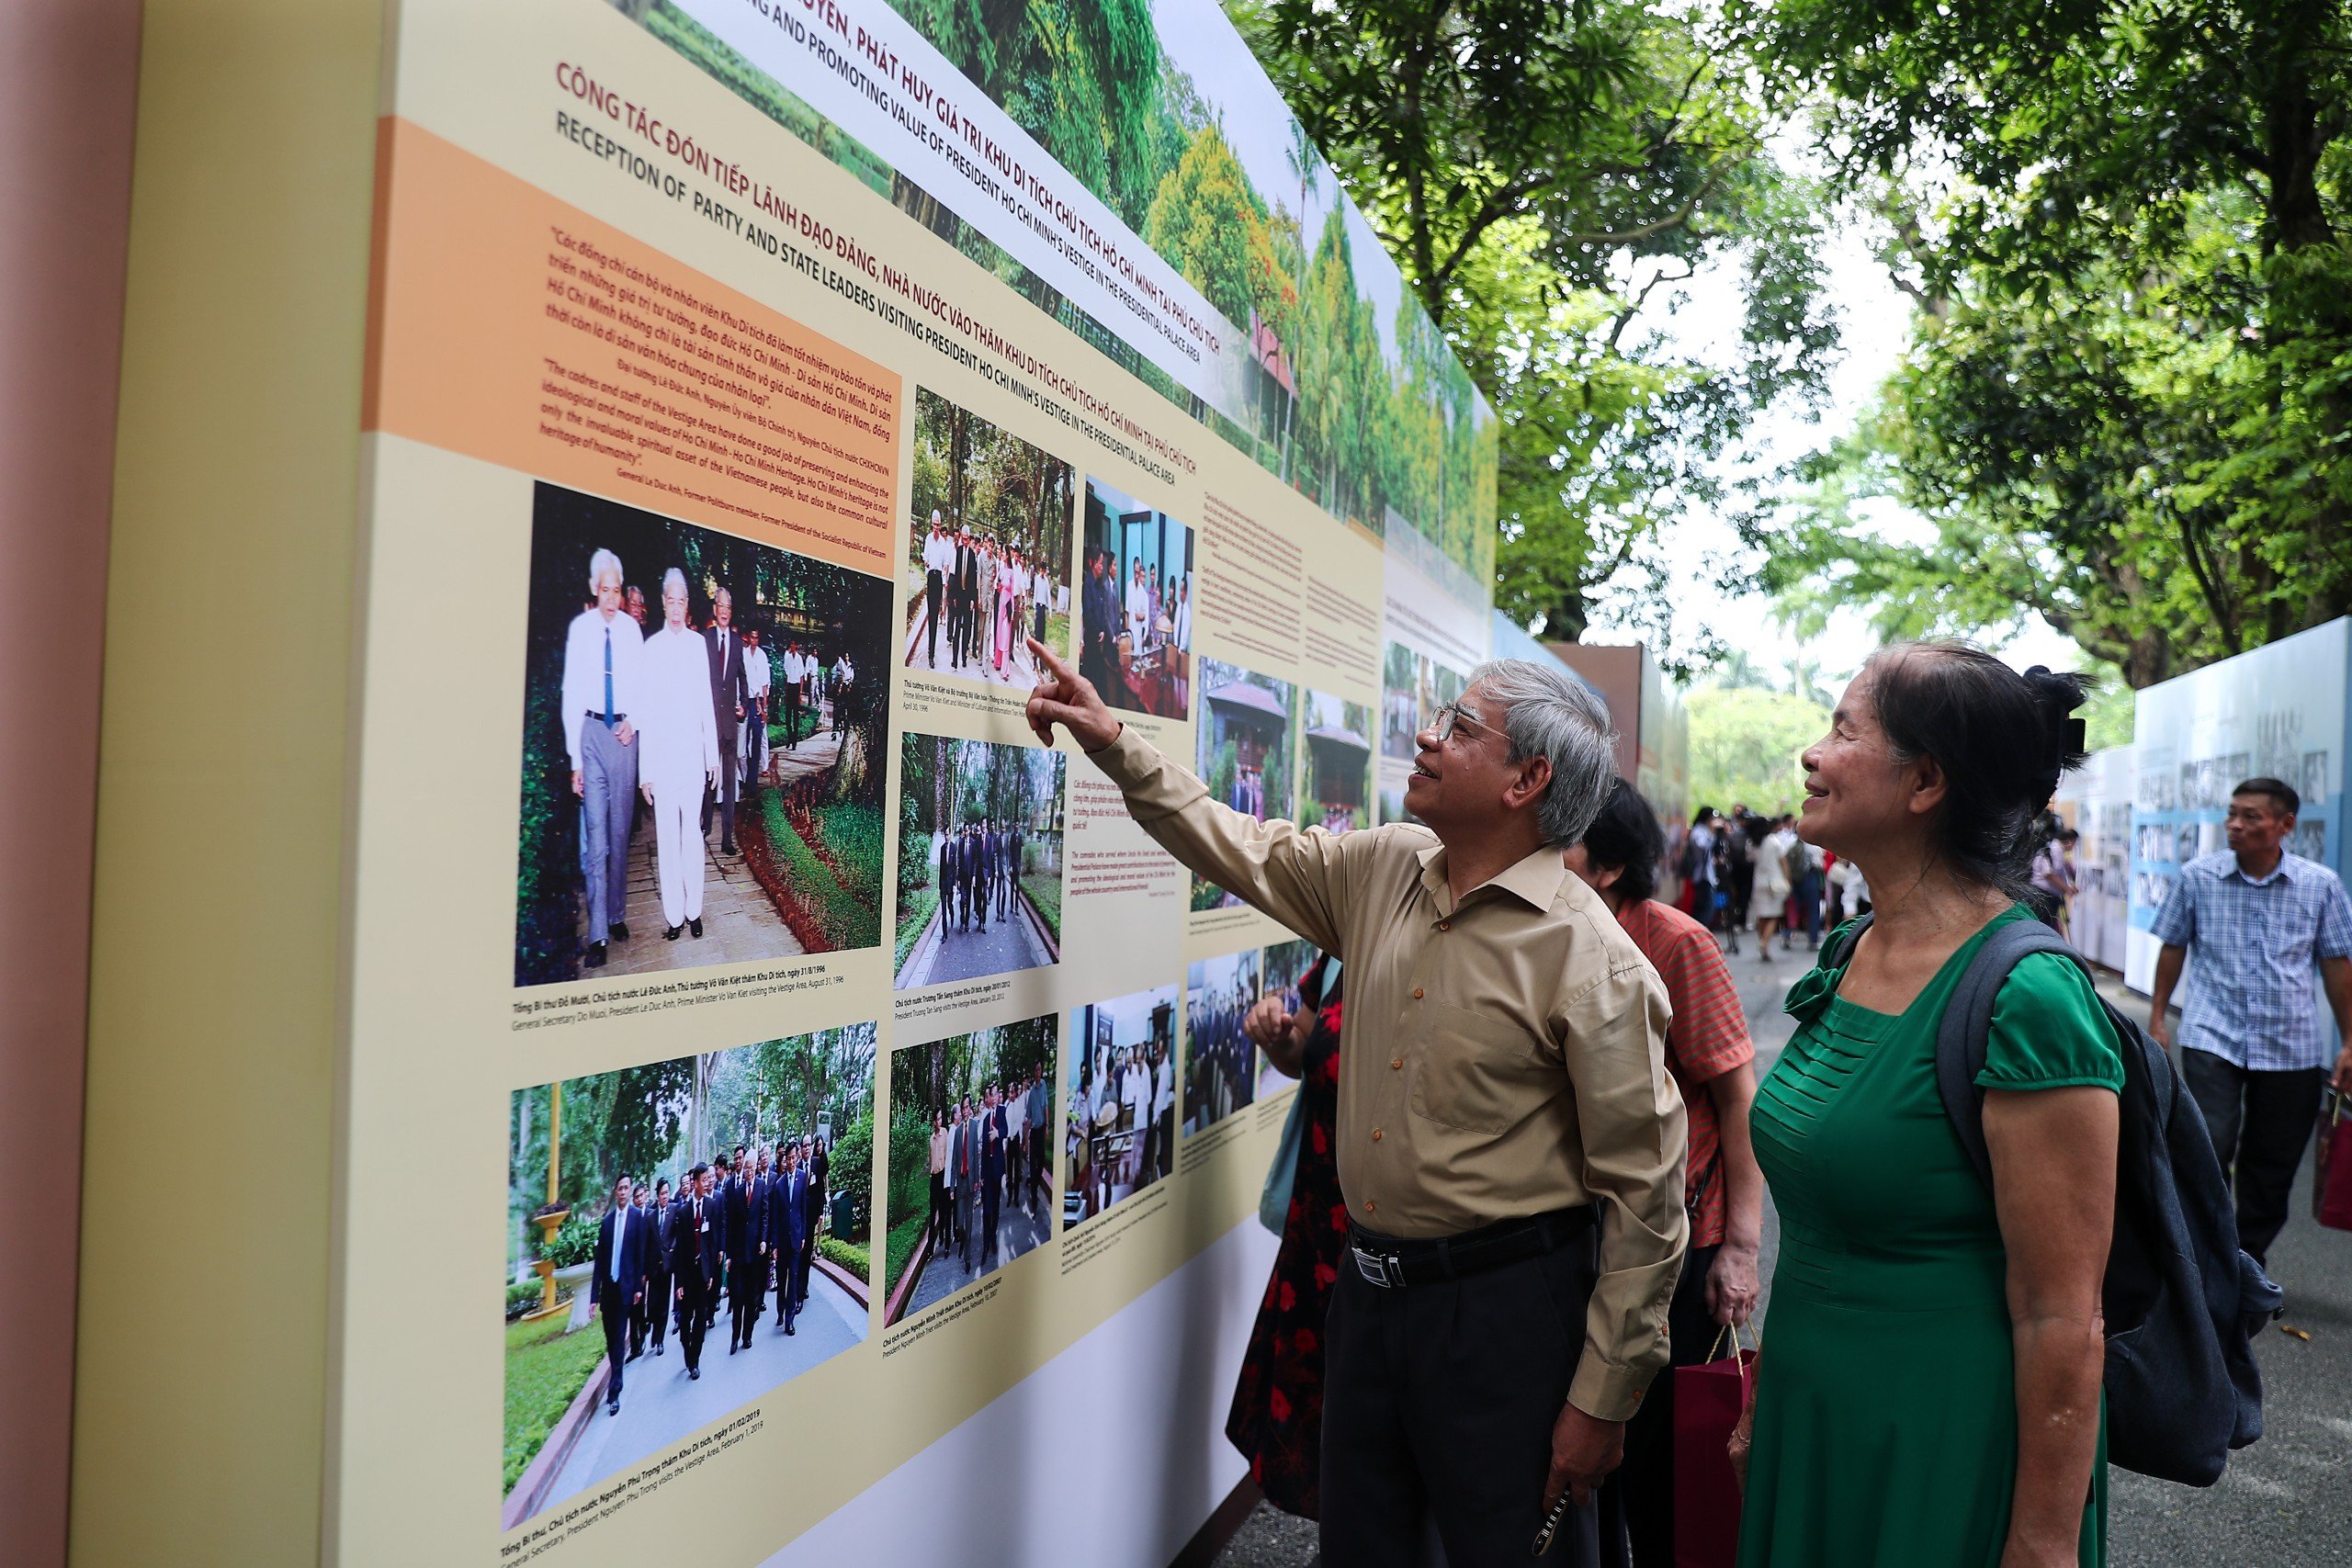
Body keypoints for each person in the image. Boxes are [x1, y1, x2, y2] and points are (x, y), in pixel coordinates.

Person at [1025, 640, 1687, 1566]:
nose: (1425, 738)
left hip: (1506, 1320)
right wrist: (1110, 740)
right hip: (1368, 1300)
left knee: (1510, 1547)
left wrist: (1600, 1399)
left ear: (1524, 780)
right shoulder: (1386, 869)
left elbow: (1646, 1209)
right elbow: (1236, 843)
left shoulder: (1593, 963)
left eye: (1459, 729)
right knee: (1362, 1546)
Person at [1734, 643, 2114, 1567]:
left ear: (1925, 781)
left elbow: (2061, 1312)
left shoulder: (2028, 998)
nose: (1811, 755)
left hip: (1944, 1440)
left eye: (1841, 731)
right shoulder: (1848, 949)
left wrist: (2041, 1541)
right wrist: (1763, 1398)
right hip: (1814, 1410)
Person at [1566, 781, 1763, 1567]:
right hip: (1573, 1243)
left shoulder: (1676, 941)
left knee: (1658, 1469)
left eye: (1564, 840)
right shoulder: (1544, 931)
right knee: (1580, 1457)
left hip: (1673, 1249)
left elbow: (1739, 1096)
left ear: (1609, 867)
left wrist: (1741, 1246)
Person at [2147, 777, 2352, 1269]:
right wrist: (2157, 1017)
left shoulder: (2319, 885)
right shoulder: (2198, 876)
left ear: (2285, 825)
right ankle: (2205, 1259)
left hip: (2292, 1044)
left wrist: (2349, 1041)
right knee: (2208, 1146)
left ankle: (2246, 1263)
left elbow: (2336, 965)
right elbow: (2173, 945)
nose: (2235, 825)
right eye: (2232, 814)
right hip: (2211, 1033)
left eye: (2250, 817)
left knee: (2272, 1164)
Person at [1227, 952, 1348, 1520]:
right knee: (1326, 1428)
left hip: (1409, 1236)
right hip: (1322, 1221)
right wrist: (1276, 1034)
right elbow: (1305, 1049)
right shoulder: (1345, 936)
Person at [561, 548, 642, 970]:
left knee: (618, 831)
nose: (611, 598)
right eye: (604, 589)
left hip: (623, 739)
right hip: (591, 735)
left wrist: (636, 720)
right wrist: (575, 757)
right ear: (595, 589)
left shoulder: (631, 631)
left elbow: (644, 687)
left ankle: (616, 915)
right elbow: (571, 694)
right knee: (596, 838)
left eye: (616, 590)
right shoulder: (581, 630)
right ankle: (596, 935)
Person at [639, 570, 721, 942]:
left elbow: (706, 702)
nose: (675, 607)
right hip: (663, 761)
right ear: (663, 603)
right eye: (669, 600)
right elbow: (646, 712)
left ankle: (694, 911)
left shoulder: (696, 645)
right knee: (667, 840)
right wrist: (646, 772)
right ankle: (674, 916)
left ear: (688, 605)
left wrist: (713, 758)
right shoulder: (652, 648)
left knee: (692, 836)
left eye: (681, 601)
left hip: (691, 759)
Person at [591, 1176, 649, 1416]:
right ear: (615, 1192)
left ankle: (615, 1391)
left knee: (617, 1337)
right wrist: (594, 1297)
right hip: (609, 1291)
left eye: (627, 1188)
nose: (624, 1192)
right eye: (620, 1188)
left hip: (626, 1289)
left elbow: (640, 1255)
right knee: (610, 1341)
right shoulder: (607, 1223)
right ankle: (616, 1374)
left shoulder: (638, 1218)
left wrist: (637, 1287)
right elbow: (600, 1263)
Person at [702, 588, 750, 855]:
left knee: (729, 782)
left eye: (728, 607)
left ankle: (727, 838)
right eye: (720, 605)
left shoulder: (737, 643)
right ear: (714, 609)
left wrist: (743, 701)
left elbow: (742, 676)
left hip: (730, 724)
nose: (724, 610)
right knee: (707, 779)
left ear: (731, 612)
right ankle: (705, 826)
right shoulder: (704, 640)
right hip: (708, 723)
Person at [670, 1163, 720, 1381]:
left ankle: (695, 1361)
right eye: (703, 1179)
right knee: (685, 1322)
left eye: (709, 1179)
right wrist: (678, 1283)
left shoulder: (712, 1206)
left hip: (703, 1274)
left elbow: (711, 1243)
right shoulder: (682, 1211)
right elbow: (679, 1250)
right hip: (687, 1275)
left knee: (700, 1319)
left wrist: (710, 1273)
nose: (707, 1182)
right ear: (695, 1183)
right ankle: (686, 1347)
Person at [770, 1142, 808, 1333]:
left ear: (797, 1158)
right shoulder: (779, 1185)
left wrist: (803, 1235)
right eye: (789, 1159)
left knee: (793, 1277)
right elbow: (775, 1217)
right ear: (784, 1160)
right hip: (782, 1241)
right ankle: (780, 1310)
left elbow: (803, 1208)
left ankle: (790, 1319)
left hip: (796, 1239)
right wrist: (774, 1245)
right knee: (782, 1277)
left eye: (794, 1158)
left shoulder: (803, 1178)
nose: (792, 1162)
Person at [1751, 813, 1797, 962]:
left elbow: (1749, 859)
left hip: (1759, 882)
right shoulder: (1773, 841)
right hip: (1775, 882)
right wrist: (1788, 880)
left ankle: (1761, 941)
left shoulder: (1753, 843)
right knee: (1774, 914)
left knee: (1761, 914)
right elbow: (1783, 862)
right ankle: (1764, 942)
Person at [641, 1176, 673, 1359]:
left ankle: (659, 1340)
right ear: (657, 1195)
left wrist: (673, 1250)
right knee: (652, 1304)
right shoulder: (650, 1216)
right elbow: (646, 1244)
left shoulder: (674, 1211)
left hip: (667, 1267)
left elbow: (677, 1234)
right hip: (653, 1268)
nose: (665, 1197)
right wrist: (645, 1270)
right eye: (662, 1193)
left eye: (667, 1193)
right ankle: (651, 1324)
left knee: (663, 1305)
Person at [2029, 823, 2079, 932]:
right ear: (2069, 841)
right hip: (2045, 895)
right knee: (2045, 927)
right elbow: (2049, 874)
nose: (2074, 846)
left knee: (2046, 925)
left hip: (2044, 894)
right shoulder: (2055, 850)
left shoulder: (2053, 848)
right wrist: (2067, 888)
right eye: (2075, 843)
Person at [921, 511, 953, 667]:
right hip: (930, 577)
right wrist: (926, 562)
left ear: (940, 526)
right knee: (930, 615)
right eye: (934, 524)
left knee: (935, 613)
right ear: (931, 524)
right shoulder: (928, 539)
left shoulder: (944, 544)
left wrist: (945, 582)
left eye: (938, 525)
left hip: (938, 579)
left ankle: (932, 654)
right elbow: (925, 556)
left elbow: (946, 565)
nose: (936, 527)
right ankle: (929, 651)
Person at [741, 626, 770, 799]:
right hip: (746, 702)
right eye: (751, 637)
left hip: (758, 704)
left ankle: (752, 783)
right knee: (742, 748)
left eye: (756, 638)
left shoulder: (761, 655)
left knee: (757, 742)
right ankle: (743, 778)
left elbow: (765, 684)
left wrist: (764, 709)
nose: (753, 641)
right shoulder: (743, 655)